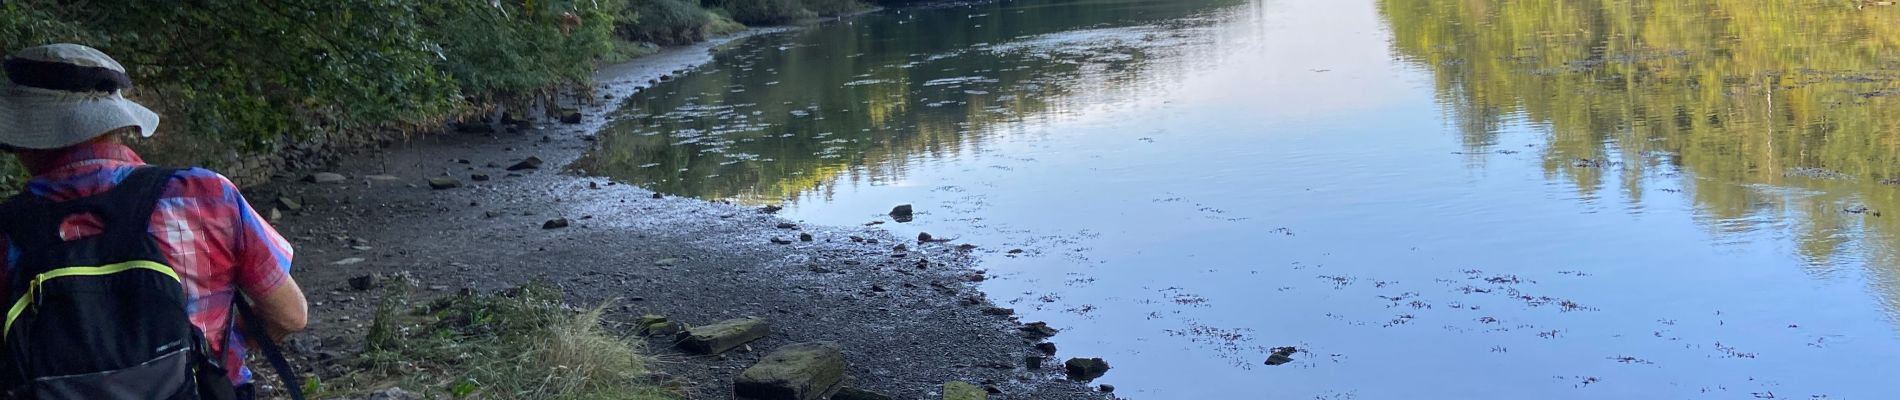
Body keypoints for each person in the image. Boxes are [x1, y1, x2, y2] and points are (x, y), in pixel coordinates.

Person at [0, 43, 307, 399]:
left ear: (26, 140)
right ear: (115, 123)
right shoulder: (205, 195)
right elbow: (290, 315)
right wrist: (213, 346)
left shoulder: (8, 229)